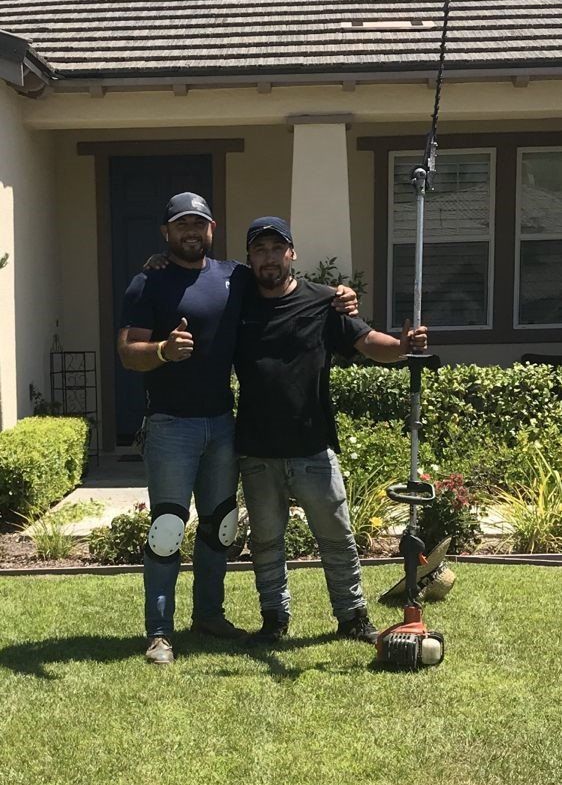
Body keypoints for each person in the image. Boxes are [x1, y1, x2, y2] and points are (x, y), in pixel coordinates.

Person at [118, 194, 357, 665]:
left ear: (211, 229)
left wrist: (340, 295)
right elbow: (128, 352)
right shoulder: (148, 282)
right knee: (168, 527)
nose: (191, 231)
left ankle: (209, 614)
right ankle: (160, 632)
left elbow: (285, 284)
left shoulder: (236, 275)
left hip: (223, 423)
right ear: (166, 232)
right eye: (181, 224)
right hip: (170, 425)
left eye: (199, 224)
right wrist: (164, 350)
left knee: (220, 525)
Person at [234, 216, 428, 645]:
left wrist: (400, 347)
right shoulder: (239, 300)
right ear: (249, 258)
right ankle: (274, 619)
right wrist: (158, 262)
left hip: (312, 448)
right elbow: (199, 274)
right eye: (259, 250)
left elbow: (366, 341)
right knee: (266, 542)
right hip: (257, 449)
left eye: (276, 248)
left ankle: (352, 616)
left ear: (292, 253)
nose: (268, 257)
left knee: (337, 538)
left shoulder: (325, 302)